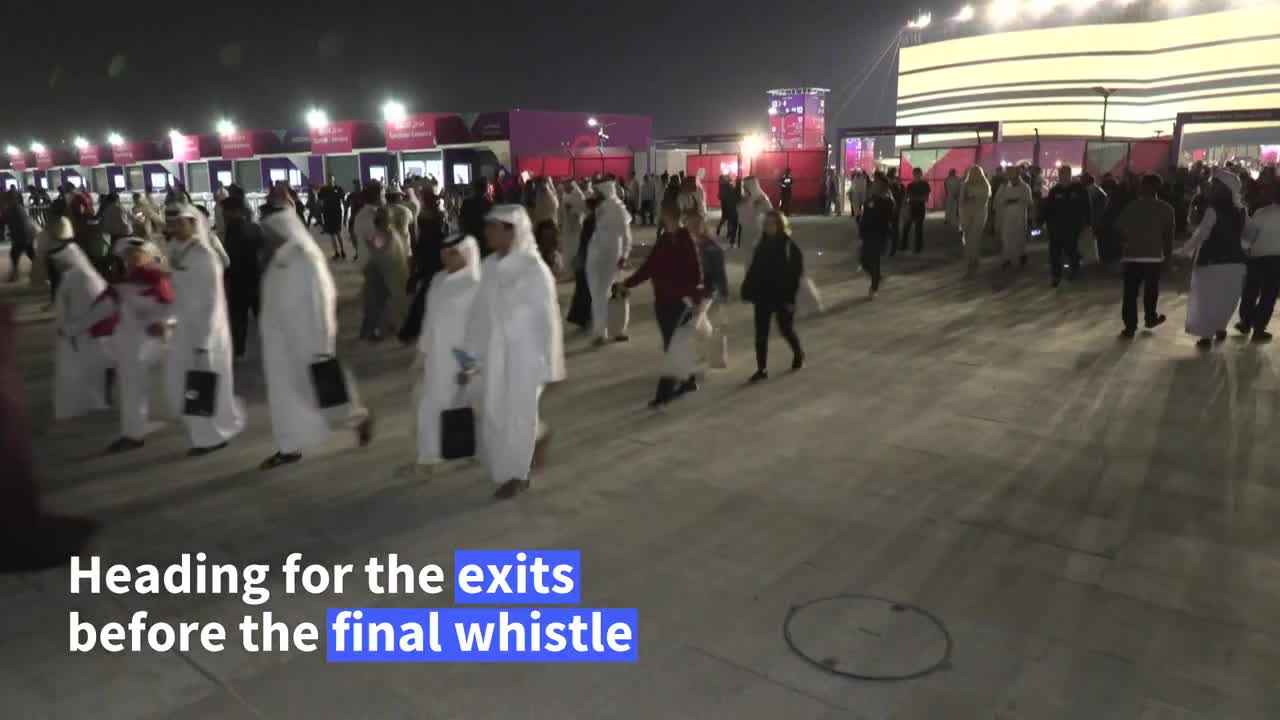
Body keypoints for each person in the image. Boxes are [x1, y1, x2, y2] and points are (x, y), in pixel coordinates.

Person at [462, 205, 565, 500]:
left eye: (494, 227)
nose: (488, 233)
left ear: (512, 231)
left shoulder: (534, 270)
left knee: (519, 415)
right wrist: (468, 357)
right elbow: (478, 315)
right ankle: (517, 456)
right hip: (493, 356)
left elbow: (549, 320)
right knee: (494, 412)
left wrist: (553, 367)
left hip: (526, 358)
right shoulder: (490, 267)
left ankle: (517, 474)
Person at [257, 211, 373, 469]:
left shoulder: (307, 259)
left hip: (307, 340)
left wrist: (323, 343)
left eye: (271, 232)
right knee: (284, 395)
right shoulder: (277, 260)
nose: (267, 237)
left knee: (321, 393)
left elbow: (323, 300)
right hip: (279, 344)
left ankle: (357, 417)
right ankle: (289, 447)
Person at [162, 202, 245, 455]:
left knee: (202, 386)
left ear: (193, 223)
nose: (175, 227)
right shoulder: (176, 250)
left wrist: (205, 340)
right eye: (172, 223)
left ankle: (210, 437)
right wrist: (169, 321)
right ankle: (207, 432)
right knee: (189, 385)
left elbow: (213, 300)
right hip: (185, 330)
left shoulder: (203, 254)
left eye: (180, 223)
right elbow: (177, 294)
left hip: (205, 333)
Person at [404, 233, 482, 478]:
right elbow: (430, 320)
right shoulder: (438, 280)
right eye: (444, 254)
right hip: (437, 358)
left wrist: (470, 365)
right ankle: (426, 459)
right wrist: (422, 353)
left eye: (453, 253)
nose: (446, 259)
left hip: (461, 359)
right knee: (429, 405)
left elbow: (479, 328)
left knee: (465, 406)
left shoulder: (476, 284)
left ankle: (468, 450)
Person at [623, 204, 705, 406]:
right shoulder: (663, 240)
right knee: (673, 344)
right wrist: (627, 283)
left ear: (673, 216)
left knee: (673, 346)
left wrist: (693, 298)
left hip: (679, 302)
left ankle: (664, 394)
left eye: (664, 214)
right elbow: (649, 267)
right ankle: (689, 379)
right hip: (662, 301)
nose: (662, 217)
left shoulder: (685, 240)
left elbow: (696, 273)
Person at [1181, 170, 1249, 349]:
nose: (1211, 188)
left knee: (1207, 299)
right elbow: (1246, 237)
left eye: (1215, 185)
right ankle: (1219, 327)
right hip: (1235, 261)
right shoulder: (1242, 210)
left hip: (1212, 261)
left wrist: (1184, 251)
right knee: (1226, 299)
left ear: (1223, 188)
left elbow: (1201, 235)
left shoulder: (1214, 209)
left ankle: (1206, 336)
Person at [49, 242, 112, 419]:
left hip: (85, 333)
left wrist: (73, 329)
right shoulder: (70, 276)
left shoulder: (85, 277)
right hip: (72, 333)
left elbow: (97, 309)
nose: (56, 265)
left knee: (90, 371)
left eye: (58, 261)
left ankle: (95, 404)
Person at [741, 210, 804, 383]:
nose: (768, 227)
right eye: (766, 223)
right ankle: (762, 369)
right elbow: (754, 269)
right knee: (761, 333)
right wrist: (747, 288)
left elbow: (795, 274)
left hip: (782, 296)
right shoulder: (761, 244)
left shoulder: (789, 246)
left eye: (772, 223)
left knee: (785, 329)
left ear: (780, 225)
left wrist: (790, 299)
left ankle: (798, 353)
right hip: (763, 295)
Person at [1113, 174, 1174, 338]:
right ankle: (1150, 317)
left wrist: (1127, 241)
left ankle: (1130, 326)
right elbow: (1169, 237)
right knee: (1151, 290)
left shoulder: (1131, 207)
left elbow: (1118, 228)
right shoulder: (1167, 209)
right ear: (1158, 188)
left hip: (1132, 255)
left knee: (1130, 293)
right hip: (1154, 257)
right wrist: (1168, 259)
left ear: (1142, 187)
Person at [400, 184, 448, 345]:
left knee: (426, 295)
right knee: (426, 295)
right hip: (434, 258)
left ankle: (411, 331)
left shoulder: (428, 214)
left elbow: (422, 239)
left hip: (432, 257)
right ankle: (411, 330)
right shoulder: (436, 214)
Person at [586, 178, 632, 346]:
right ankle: (599, 333)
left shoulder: (618, 209)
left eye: (598, 192)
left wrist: (625, 255)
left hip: (612, 257)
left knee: (608, 294)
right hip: (595, 256)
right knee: (597, 295)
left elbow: (627, 236)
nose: (595, 194)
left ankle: (610, 331)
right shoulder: (599, 207)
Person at [219, 196, 262, 360]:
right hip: (256, 277)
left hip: (238, 280)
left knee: (239, 318)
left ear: (233, 212)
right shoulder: (254, 227)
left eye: (225, 211)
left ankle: (239, 351)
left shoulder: (232, 229)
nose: (223, 214)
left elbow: (229, 257)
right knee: (262, 315)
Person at [1237, 180, 1280, 342]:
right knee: (1269, 295)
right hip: (1276, 260)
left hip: (1256, 257)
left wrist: (1245, 249)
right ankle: (1259, 328)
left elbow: (1249, 236)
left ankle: (1245, 322)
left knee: (1250, 291)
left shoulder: (1262, 213)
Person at [1041, 165, 1091, 287]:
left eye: (1065, 174)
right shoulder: (1054, 191)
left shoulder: (1079, 189)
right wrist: (1044, 223)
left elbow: (1087, 207)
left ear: (1070, 175)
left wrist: (1088, 224)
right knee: (1054, 252)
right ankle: (1056, 275)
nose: (1063, 176)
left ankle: (1074, 269)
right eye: (1061, 174)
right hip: (1056, 228)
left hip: (1073, 228)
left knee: (1072, 250)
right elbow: (1048, 210)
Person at [566, 196, 600, 332]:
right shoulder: (598, 220)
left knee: (583, 290)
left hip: (587, 259)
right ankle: (588, 318)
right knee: (588, 290)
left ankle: (584, 318)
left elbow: (585, 242)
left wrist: (580, 257)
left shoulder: (590, 221)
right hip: (593, 259)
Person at [859, 176, 895, 298]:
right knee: (864, 261)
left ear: (882, 187)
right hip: (867, 234)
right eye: (874, 184)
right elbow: (865, 217)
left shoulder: (887, 202)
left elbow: (887, 220)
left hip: (879, 235)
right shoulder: (870, 199)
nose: (873, 186)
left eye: (876, 184)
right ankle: (877, 277)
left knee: (875, 261)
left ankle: (874, 288)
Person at [995, 167, 1032, 268]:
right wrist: (1006, 202)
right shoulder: (1004, 187)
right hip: (1007, 216)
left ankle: (1021, 254)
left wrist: (1018, 201)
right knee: (1007, 236)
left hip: (1020, 215)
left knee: (1019, 235)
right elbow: (997, 200)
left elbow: (1029, 201)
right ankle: (1007, 258)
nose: (1012, 178)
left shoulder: (1025, 187)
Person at [959, 166, 991, 277]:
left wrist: (975, 198)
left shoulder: (984, 185)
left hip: (979, 213)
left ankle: (974, 260)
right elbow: (961, 201)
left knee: (975, 237)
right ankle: (969, 260)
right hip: (967, 213)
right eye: (972, 172)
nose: (974, 174)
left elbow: (985, 199)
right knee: (967, 237)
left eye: (976, 172)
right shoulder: (965, 185)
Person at [3, 189, 37, 282]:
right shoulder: (17, 207)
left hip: (22, 237)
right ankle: (41, 271)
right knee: (30, 254)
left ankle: (15, 275)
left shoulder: (13, 208)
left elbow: (6, 220)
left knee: (15, 254)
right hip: (26, 236)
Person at [460, 178, 494, 256]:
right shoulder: (489, 204)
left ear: (474, 189)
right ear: (485, 189)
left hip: (470, 238)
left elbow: (461, 222)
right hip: (484, 240)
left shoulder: (467, 203)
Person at [902, 168, 931, 254]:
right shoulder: (912, 185)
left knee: (917, 228)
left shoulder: (923, 185)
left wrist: (913, 198)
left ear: (920, 175)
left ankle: (916, 247)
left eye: (917, 174)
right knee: (907, 228)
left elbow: (925, 198)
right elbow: (908, 196)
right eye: (915, 174)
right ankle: (906, 246)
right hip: (913, 207)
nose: (916, 176)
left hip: (918, 208)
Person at [738, 176, 772, 248]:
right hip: (746, 231)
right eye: (743, 185)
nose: (744, 187)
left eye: (746, 185)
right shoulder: (744, 199)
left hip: (758, 230)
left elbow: (771, 212)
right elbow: (740, 215)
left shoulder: (762, 198)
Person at [318, 176, 347, 260]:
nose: (330, 181)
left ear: (334, 180)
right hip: (328, 213)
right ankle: (336, 252)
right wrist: (321, 211)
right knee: (332, 234)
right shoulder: (324, 189)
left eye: (332, 180)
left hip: (337, 213)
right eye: (329, 180)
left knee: (338, 233)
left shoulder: (338, 188)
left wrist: (345, 210)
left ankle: (342, 250)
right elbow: (320, 201)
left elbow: (343, 200)